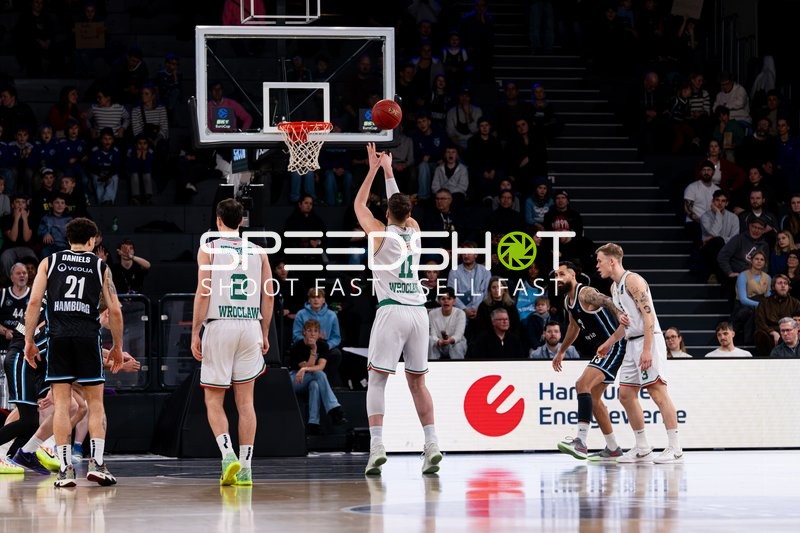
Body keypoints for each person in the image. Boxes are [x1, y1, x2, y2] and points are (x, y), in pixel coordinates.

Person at [354, 143, 441, 476]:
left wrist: (373, 168)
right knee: (418, 383)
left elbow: (360, 204)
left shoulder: (377, 234)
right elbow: (398, 206)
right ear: (408, 213)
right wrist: (390, 171)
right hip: (419, 312)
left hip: (391, 310)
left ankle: (377, 446)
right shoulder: (415, 231)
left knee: (377, 381)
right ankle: (431, 444)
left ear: (387, 214)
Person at [23, 217, 124, 487]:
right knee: (95, 403)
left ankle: (66, 469)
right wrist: (117, 347)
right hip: (87, 338)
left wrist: (29, 340)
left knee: (61, 406)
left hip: (58, 338)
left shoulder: (49, 262)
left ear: (68, 239)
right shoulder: (100, 266)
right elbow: (114, 310)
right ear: (92, 240)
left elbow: (34, 302)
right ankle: (98, 464)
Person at [191, 199, 273, 486]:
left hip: (220, 325)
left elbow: (204, 291)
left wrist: (194, 331)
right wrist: (264, 332)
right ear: (243, 221)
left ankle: (228, 456)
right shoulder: (259, 252)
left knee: (214, 398)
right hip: (250, 325)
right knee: (246, 402)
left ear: (218, 220)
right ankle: (247, 467)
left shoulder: (209, 249)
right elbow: (269, 295)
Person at [595, 243, 683, 464]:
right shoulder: (614, 289)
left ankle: (675, 447)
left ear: (612, 261)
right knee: (625, 394)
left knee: (657, 392)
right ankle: (642, 446)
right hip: (631, 342)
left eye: (600, 261)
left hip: (648, 339)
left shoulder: (633, 281)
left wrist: (646, 351)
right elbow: (628, 323)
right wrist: (609, 342)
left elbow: (648, 317)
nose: (597, 266)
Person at [552, 261, 626, 461]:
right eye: (556, 275)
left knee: (581, 384)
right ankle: (612, 449)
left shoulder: (585, 293)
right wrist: (562, 350)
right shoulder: (568, 301)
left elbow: (606, 300)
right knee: (593, 399)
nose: (558, 278)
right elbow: (574, 327)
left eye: (562, 274)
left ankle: (581, 442)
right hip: (602, 349)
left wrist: (620, 314)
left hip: (615, 344)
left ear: (573, 275)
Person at [288, 319, 347, 435]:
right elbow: (309, 367)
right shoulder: (297, 346)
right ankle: (334, 409)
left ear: (319, 333)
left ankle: (313, 424)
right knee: (319, 375)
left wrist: (306, 368)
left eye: (315, 331)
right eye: (309, 330)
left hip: (310, 376)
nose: (313, 334)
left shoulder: (323, 345)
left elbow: (320, 366)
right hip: (295, 378)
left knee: (315, 384)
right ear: (304, 332)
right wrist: (313, 351)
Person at [754, 274, 800, 356]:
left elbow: (797, 321)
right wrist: (773, 332)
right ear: (773, 286)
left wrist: (787, 331)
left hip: (790, 331)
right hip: (769, 333)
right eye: (780, 283)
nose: (783, 285)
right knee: (759, 334)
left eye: (785, 283)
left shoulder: (795, 303)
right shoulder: (764, 303)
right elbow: (759, 321)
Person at [428, 287, 467, 360]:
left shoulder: (460, 313)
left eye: (449, 299)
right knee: (429, 340)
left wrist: (450, 340)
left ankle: (458, 367)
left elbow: (459, 334)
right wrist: (439, 341)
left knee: (458, 344)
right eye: (443, 299)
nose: (446, 301)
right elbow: (432, 334)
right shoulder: (432, 314)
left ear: (454, 301)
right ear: (439, 301)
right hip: (438, 343)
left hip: (453, 343)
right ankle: (432, 366)